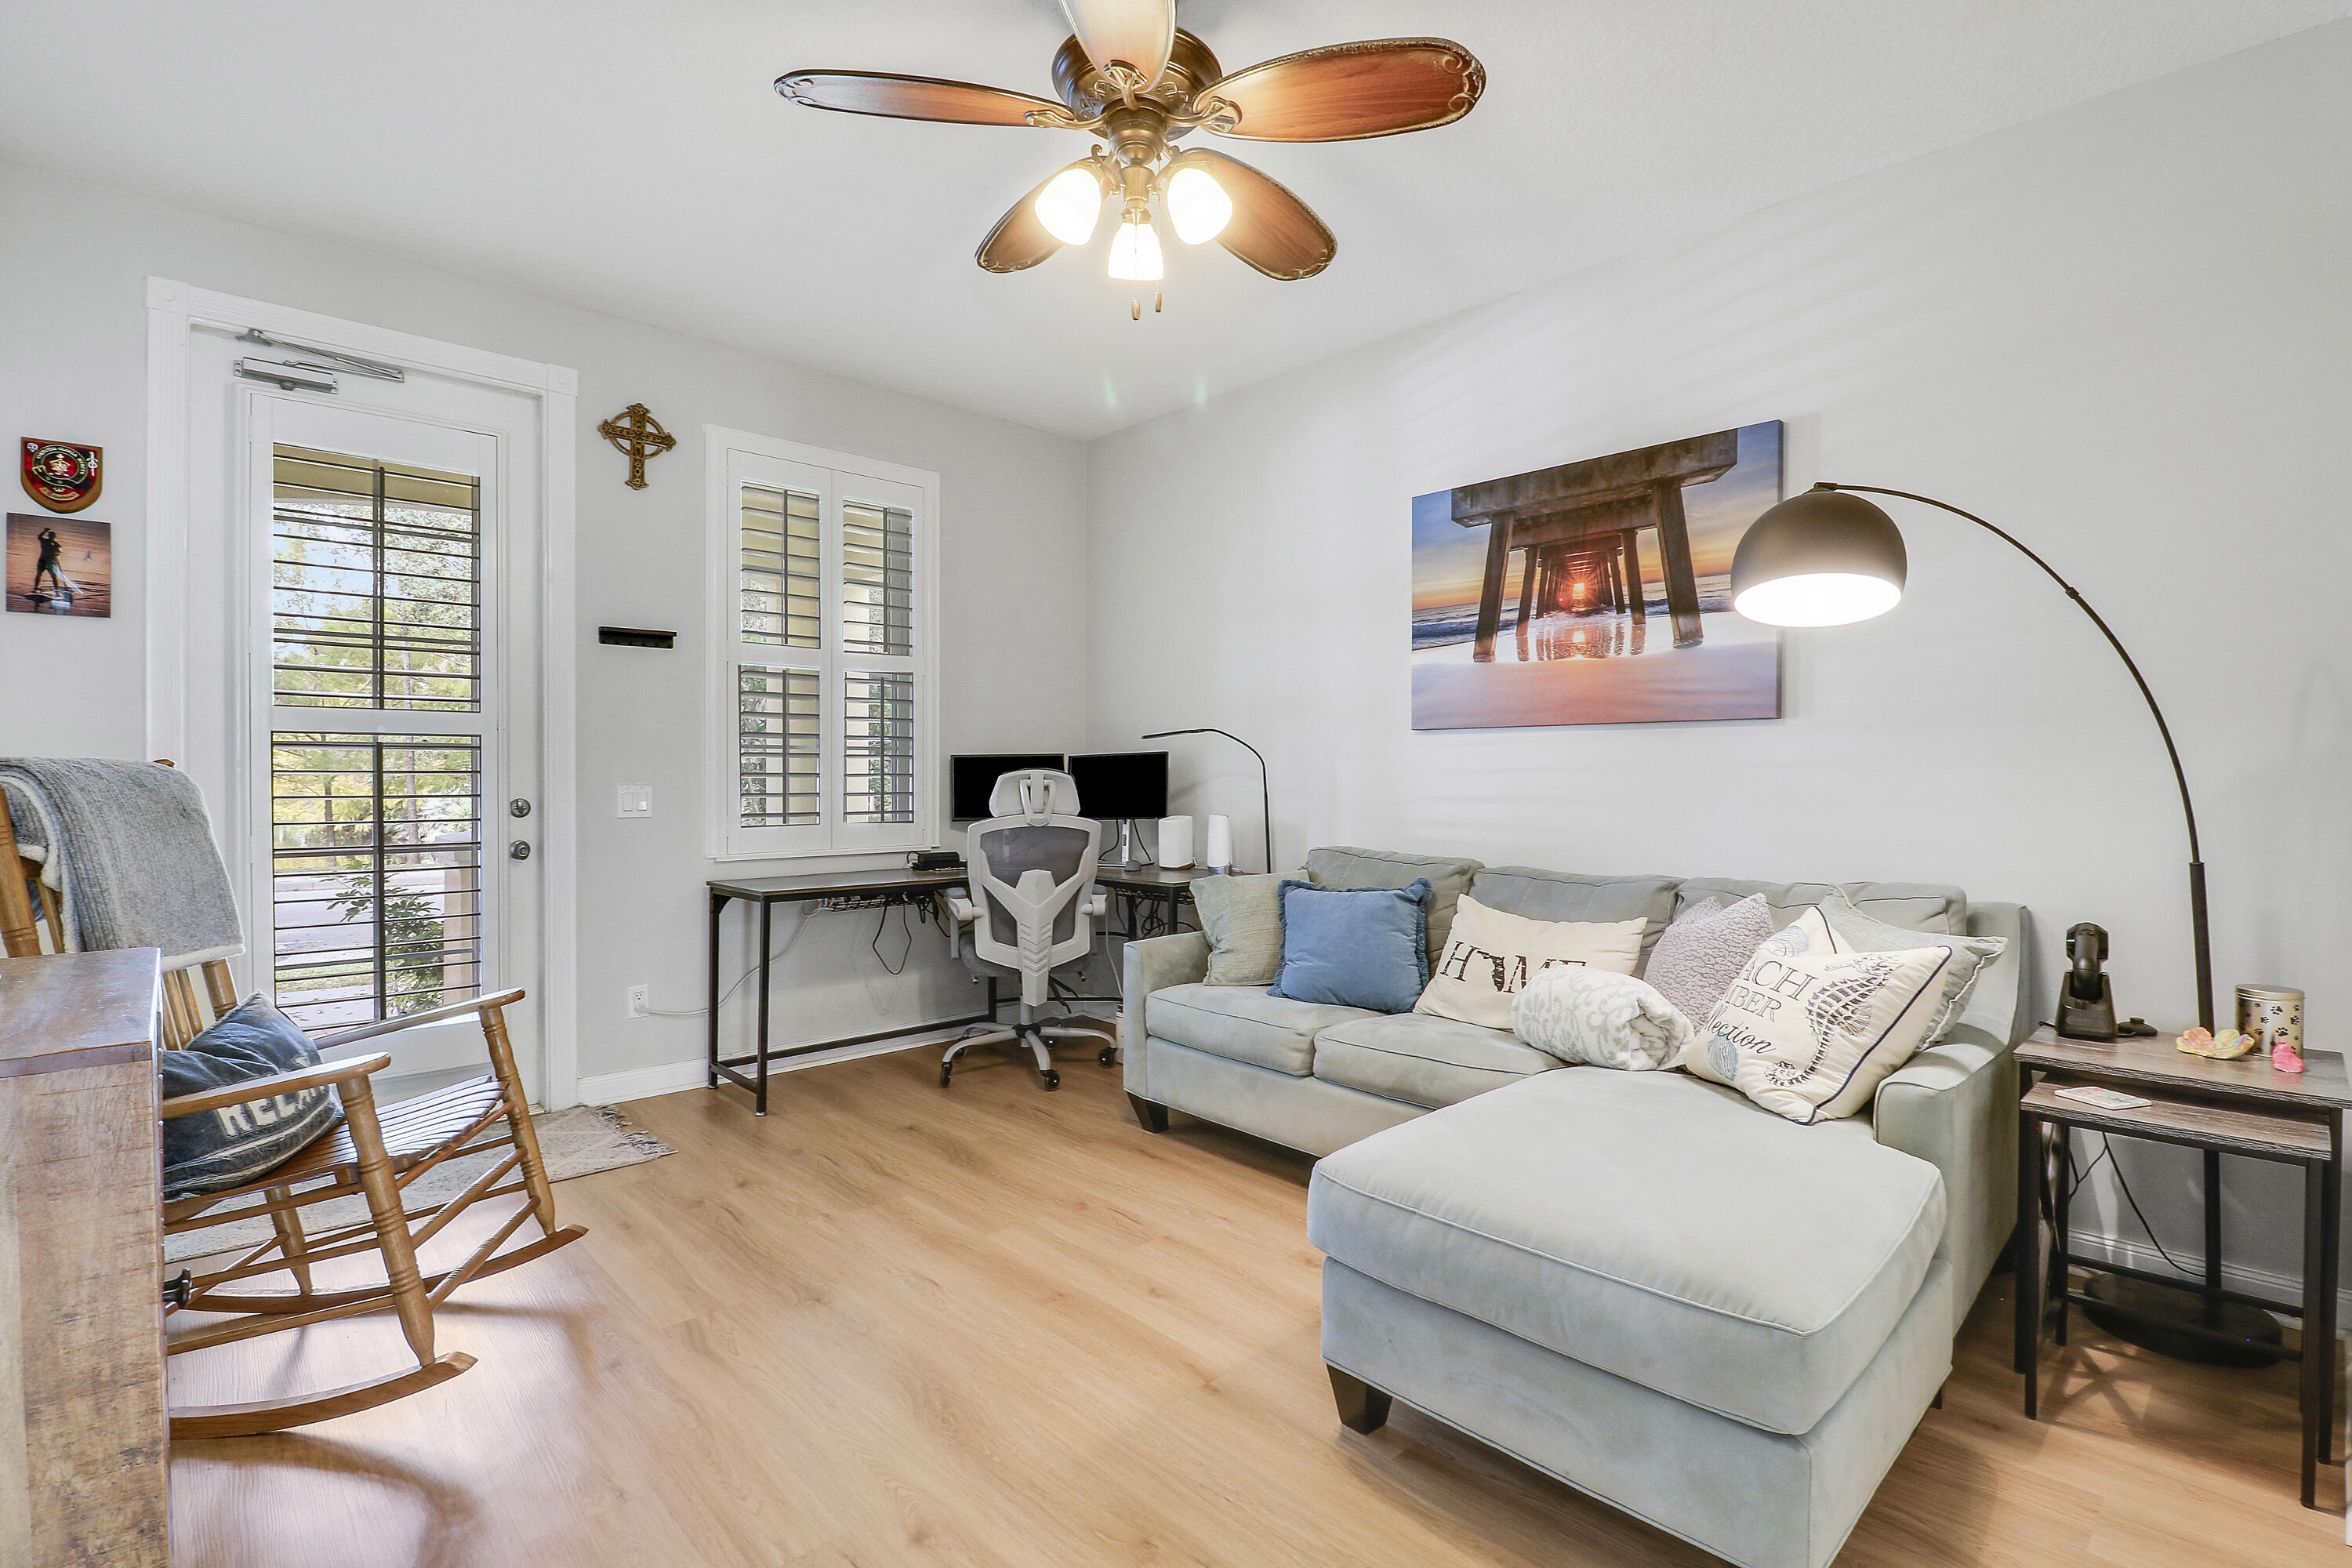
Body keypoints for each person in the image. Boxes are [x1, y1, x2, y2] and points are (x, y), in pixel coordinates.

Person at [32, 528, 64, 593]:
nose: (51, 537)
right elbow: (39, 537)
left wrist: (55, 556)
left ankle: (56, 590)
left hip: (50, 562)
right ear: (49, 536)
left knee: (53, 576)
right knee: (39, 574)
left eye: (53, 536)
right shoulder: (44, 541)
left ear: (54, 537)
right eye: (50, 536)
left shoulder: (57, 545)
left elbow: (59, 552)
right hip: (42, 561)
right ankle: (36, 588)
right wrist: (45, 531)